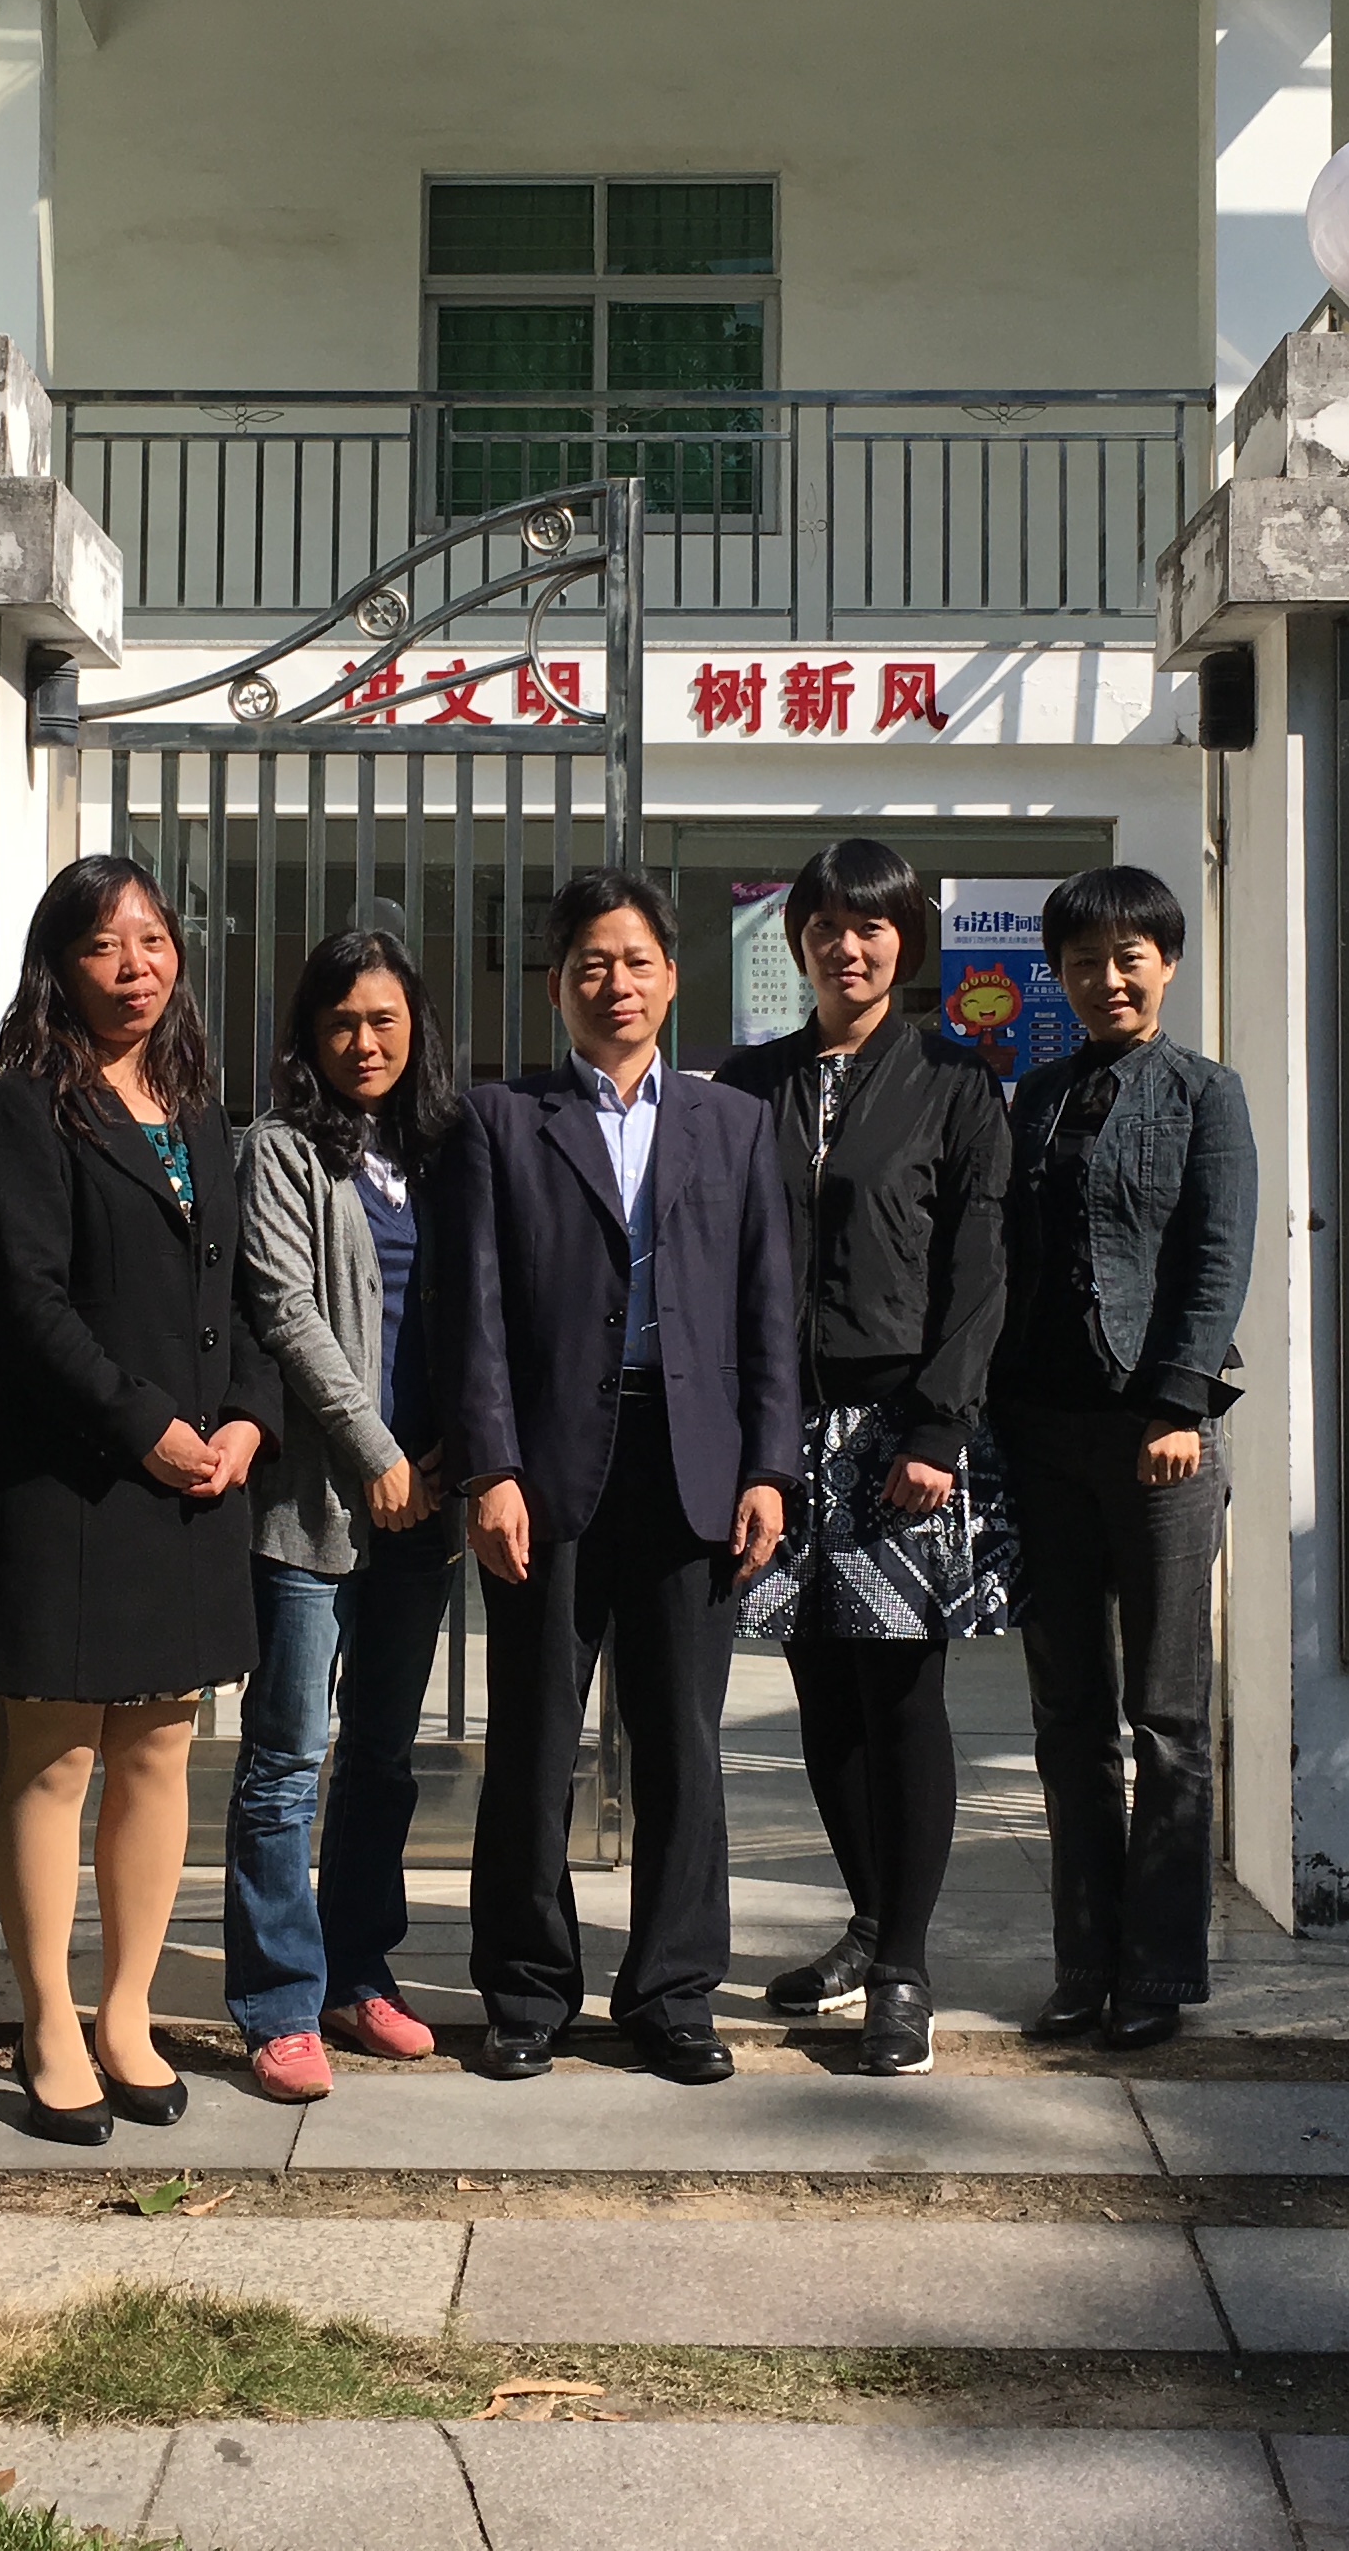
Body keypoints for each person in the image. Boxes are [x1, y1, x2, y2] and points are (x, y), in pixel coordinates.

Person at [435, 863, 800, 2087]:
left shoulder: (733, 1123)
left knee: (684, 1747)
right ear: (557, 985)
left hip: (693, 1468)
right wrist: (489, 1468)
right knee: (534, 1743)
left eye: (637, 960)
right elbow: (472, 1313)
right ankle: (527, 1992)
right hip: (547, 1473)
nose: (616, 982)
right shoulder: (501, 1120)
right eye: (592, 963)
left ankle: (673, 1995)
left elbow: (768, 1309)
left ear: (672, 978)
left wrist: (769, 1466)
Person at [0, 856, 278, 2143]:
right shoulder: (23, 1111)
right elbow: (26, 1303)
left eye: (151, 939)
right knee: (55, 1758)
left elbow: (240, 1292)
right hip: (73, 1478)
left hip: (194, 1484)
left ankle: (128, 2013)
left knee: (159, 1748)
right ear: (59, 965)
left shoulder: (200, 1111)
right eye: (103, 945)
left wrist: (248, 1415)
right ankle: (49, 2021)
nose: (134, 965)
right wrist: (143, 1424)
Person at [713, 840, 1014, 2080]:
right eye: (827, 926)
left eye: (873, 925)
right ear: (797, 942)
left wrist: (941, 1427)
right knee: (821, 1692)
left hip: (903, 1430)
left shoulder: (956, 1081)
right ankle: (868, 1923)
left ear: (907, 940)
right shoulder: (750, 1082)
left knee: (900, 1695)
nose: (848, 946)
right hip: (783, 1427)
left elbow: (981, 1270)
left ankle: (906, 1970)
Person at [995, 864, 1257, 2053]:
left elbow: (1215, 1260)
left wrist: (1178, 1404)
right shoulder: (1036, 1095)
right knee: (1068, 1719)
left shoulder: (1206, 1094)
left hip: (1160, 1440)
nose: (1107, 979)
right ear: (1058, 974)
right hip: (1043, 1436)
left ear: (1168, 963)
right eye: (1084, 962)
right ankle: (1081, 1966)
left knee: (1167, 1717)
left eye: (1129, 958)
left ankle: (1157, 1973)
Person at [223, 927, 469, 2102]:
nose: (364, 1042)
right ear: (308, 1036)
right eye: (340, 1023)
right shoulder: (279, 1151)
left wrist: (452, 1455)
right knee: (287, 1757)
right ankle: (278, 2002)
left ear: (416, 1024)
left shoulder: (446, 1151)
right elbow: (284, 1310)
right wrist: (375, 1455)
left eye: (383, 1019)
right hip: (314, 1506)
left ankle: (357, 1973)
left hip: (430, 1500)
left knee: (382, 1756)